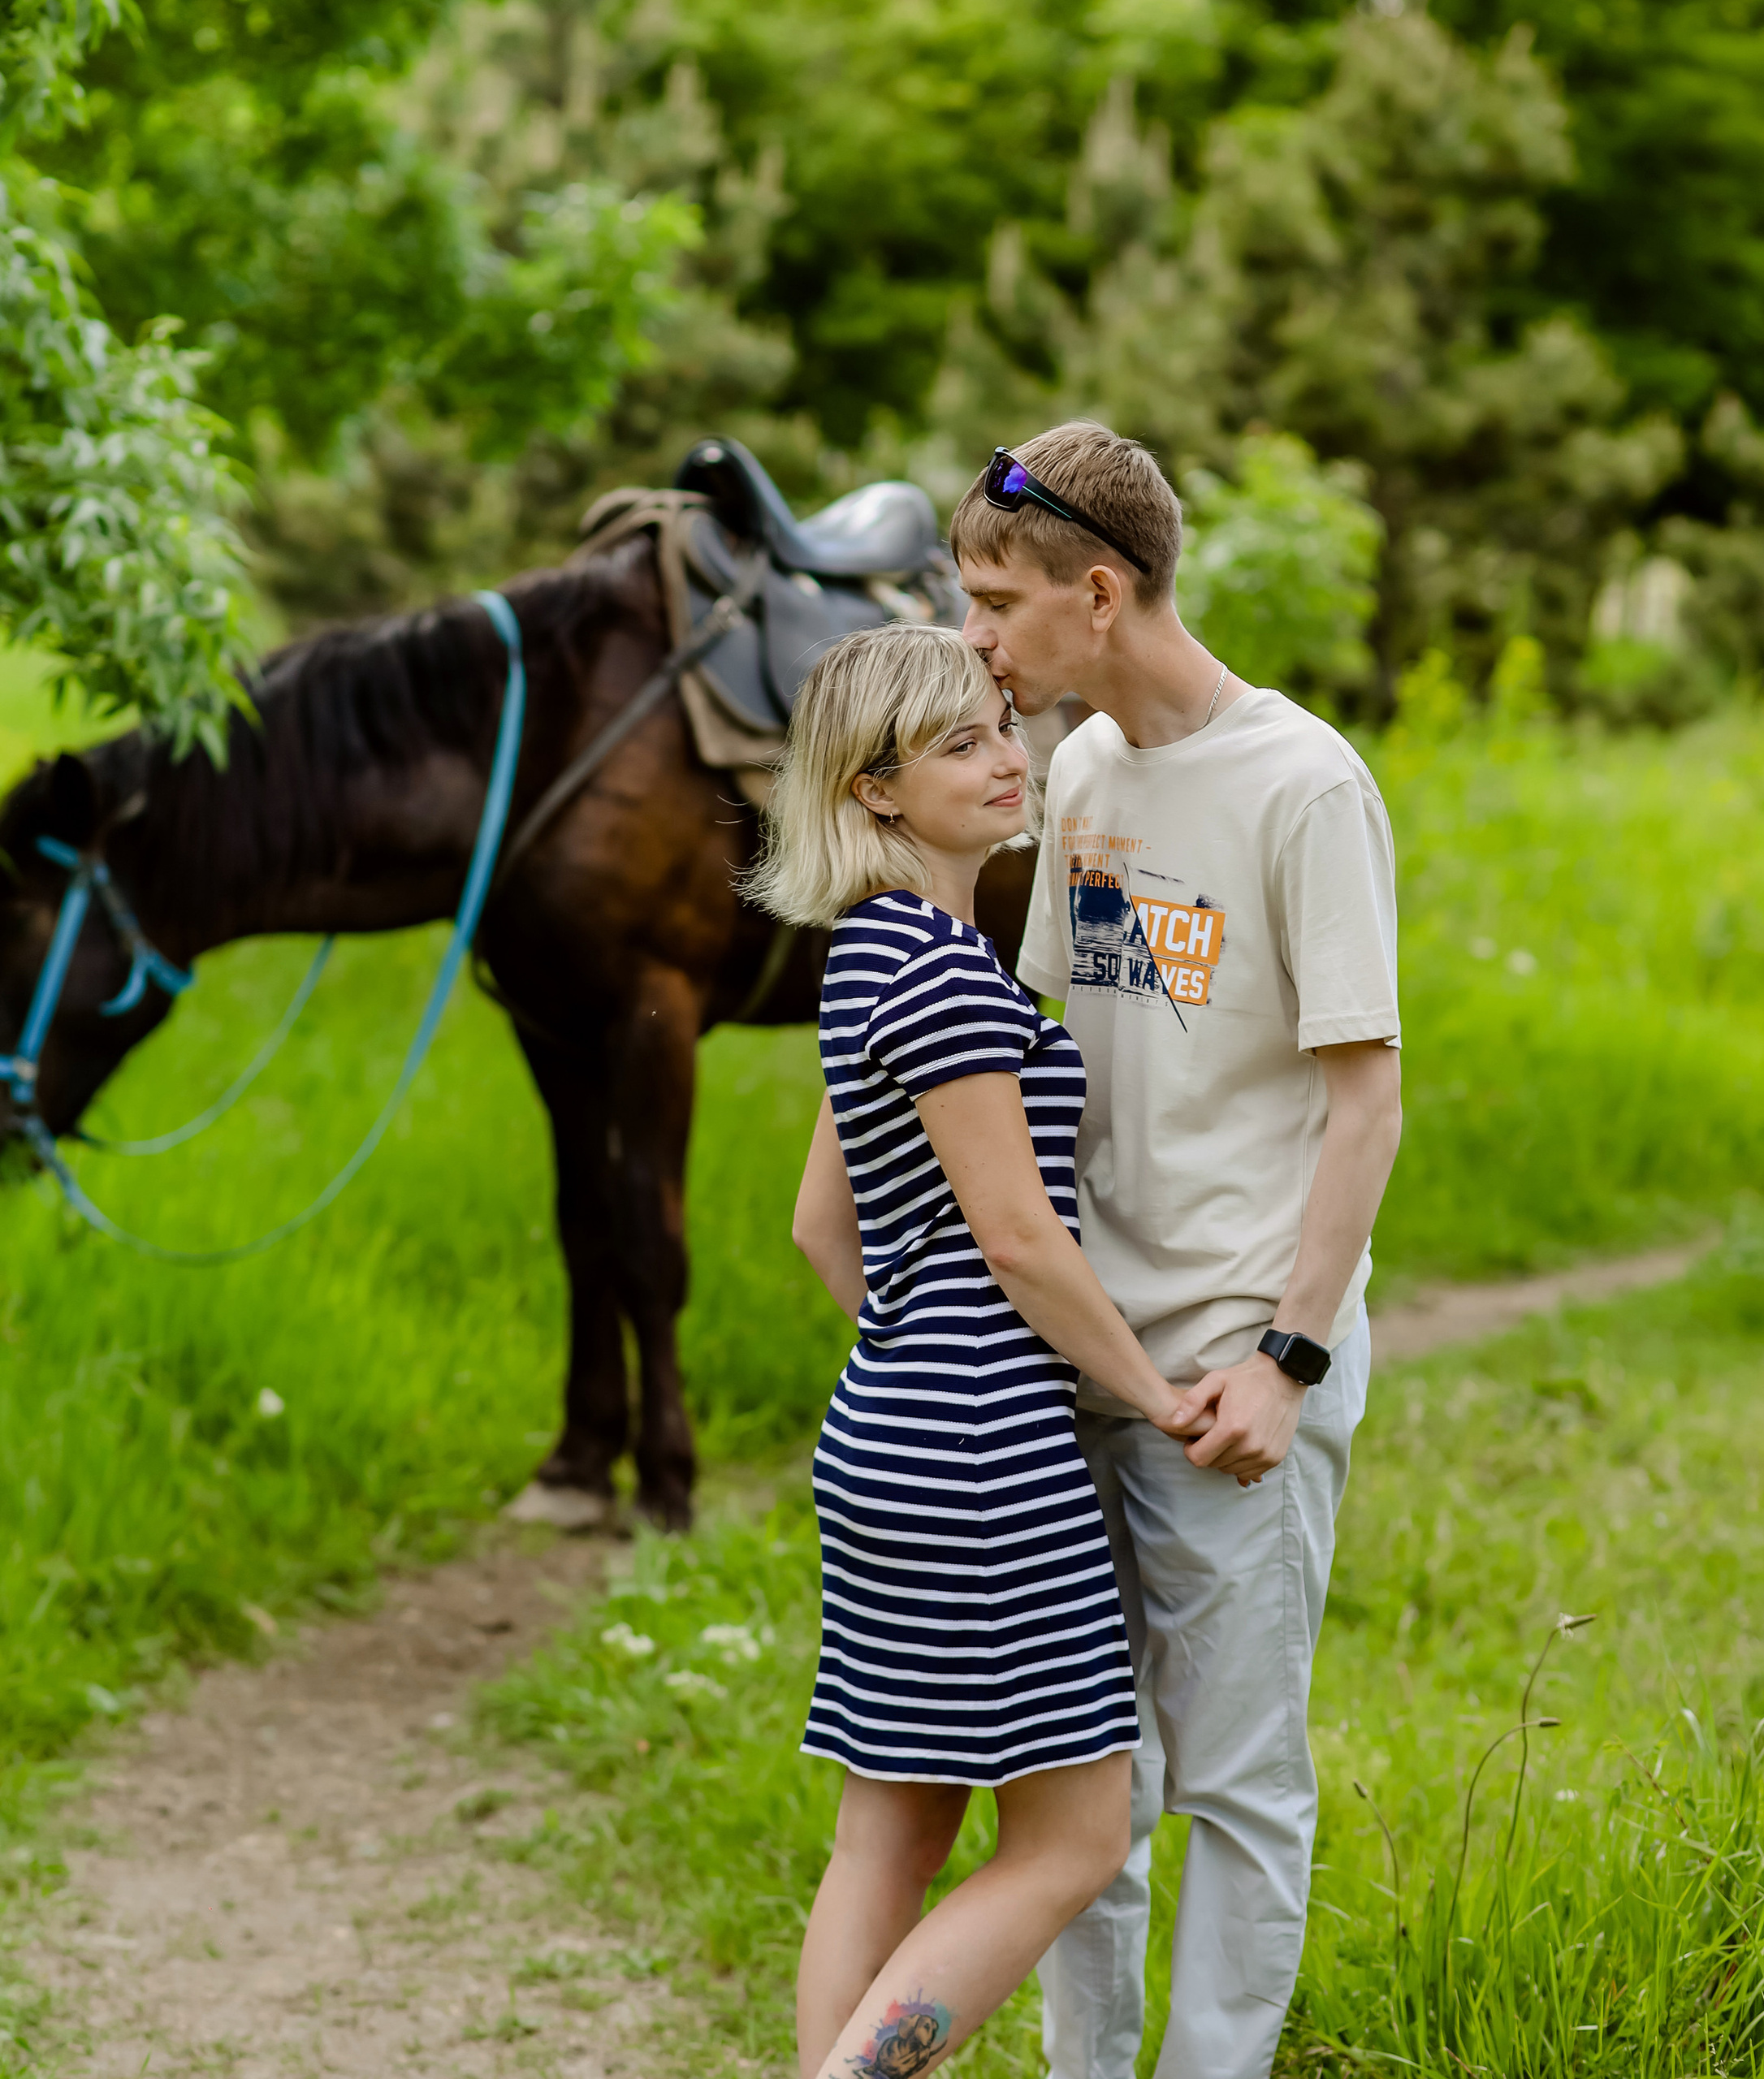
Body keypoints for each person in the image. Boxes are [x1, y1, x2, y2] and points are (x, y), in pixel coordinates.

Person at [949, 421, 1403, 2079]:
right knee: (1082, 1781)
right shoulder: (1076, 775)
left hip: (1232, 1373)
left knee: (1232, 1780)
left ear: (1099, 587)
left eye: (998, 603)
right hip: (1088, 1358)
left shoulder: (1301, 783)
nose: (977, 641)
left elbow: (1363, 1105)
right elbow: (1051, 1056)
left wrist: (1281, 1360)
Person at [754, 620, 1217, 2079]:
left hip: (888, 1428)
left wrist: (921, 1348)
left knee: (888, 1835)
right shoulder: (950, 977)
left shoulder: (870, 951)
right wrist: (1149, 1390)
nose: (1007, 762)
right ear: (876, 789)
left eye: (1000, 730)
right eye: (957, 746)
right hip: (985, 1455)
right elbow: (1020, 1240)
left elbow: (823, 1230)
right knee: (1074, 1841)